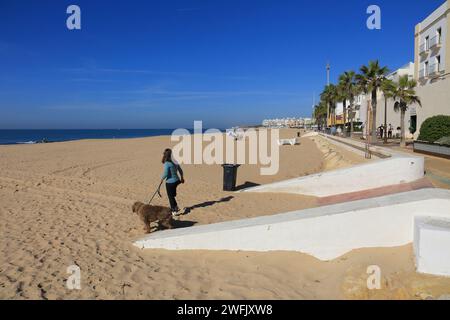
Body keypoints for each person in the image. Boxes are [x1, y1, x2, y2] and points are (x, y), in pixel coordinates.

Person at [161, 149, 185, 216]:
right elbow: (180, 170)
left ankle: (173, 210)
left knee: (170, 196)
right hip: (177, 181)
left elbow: (165, 173)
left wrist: (161, 179)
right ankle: (176, 206)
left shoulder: (167, 163)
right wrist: (182, 178)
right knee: (172, 195)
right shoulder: (175, 161)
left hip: (170, 182)